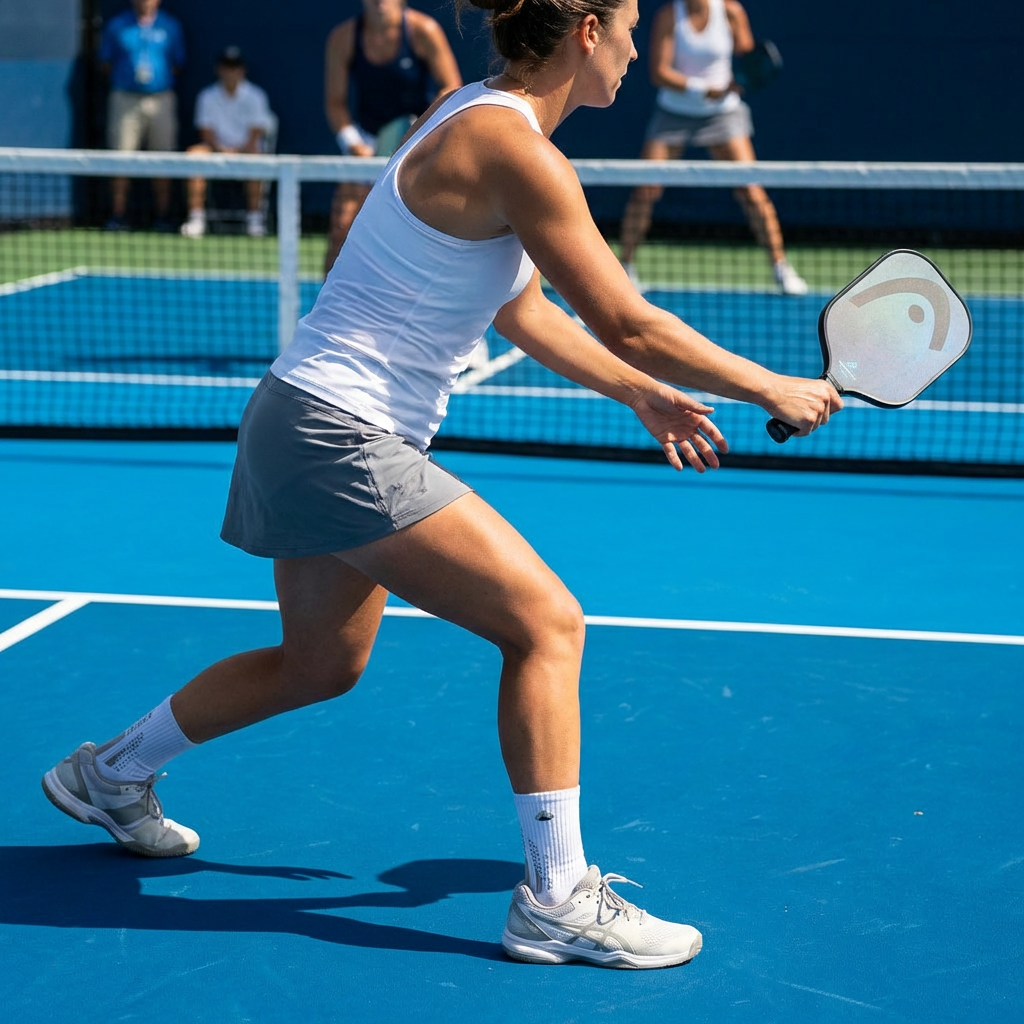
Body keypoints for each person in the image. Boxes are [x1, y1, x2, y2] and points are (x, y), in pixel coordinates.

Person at [42, 0, 841, 970]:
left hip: (299, 418)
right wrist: (770, 385)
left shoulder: (471, 111)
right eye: (631, 24)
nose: (639, 48)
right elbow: (627, 320)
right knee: (547, 625)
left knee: (319, 665)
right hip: (339, 432)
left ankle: (110, 772)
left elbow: (522, 312)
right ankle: (557, 898)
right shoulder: (515, 149)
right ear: (586, 31)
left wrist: (642, 395)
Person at [619, 0, 808, 295]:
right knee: (645, 190)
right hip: (674, 113)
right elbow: (659, 73)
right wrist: (704, 89)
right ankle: (625, 267)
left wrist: (741, 79)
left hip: (723, 115)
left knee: (751, 191)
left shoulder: (731, 12)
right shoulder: (669, 16)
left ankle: (781, 267)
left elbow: (747, 58)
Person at [323, 0, 462, 275]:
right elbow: (335, 103)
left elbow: (451, 86)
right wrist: (354, 144)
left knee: (422, 235)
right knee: (341, 226)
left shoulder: (424, 30)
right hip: (366, 141)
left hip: (417, 142)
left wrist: (419, 132)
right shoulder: (343, 38)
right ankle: (326, 300)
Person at [99, 0, 186, 231]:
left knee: (163, 159)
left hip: (161, 98)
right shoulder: (117, 25)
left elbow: (177, 63)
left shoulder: (170, 26)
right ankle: (117, 216)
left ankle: (164, 216)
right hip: (125, 99)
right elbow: (106, 63)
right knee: (120, 158)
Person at [180, 46, 276, 239]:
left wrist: (238, 151)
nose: (231, 72)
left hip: (247, 152)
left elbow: (255, 135)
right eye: (227, 67)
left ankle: (254, 219)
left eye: (235, 67)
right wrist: (221, 150)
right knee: (194, 155)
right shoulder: (207, 97)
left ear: (242, 70)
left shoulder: (256, 96)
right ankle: (196, 219)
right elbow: (206, 132)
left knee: (257, 159)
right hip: (215, 151)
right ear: (219, 70)